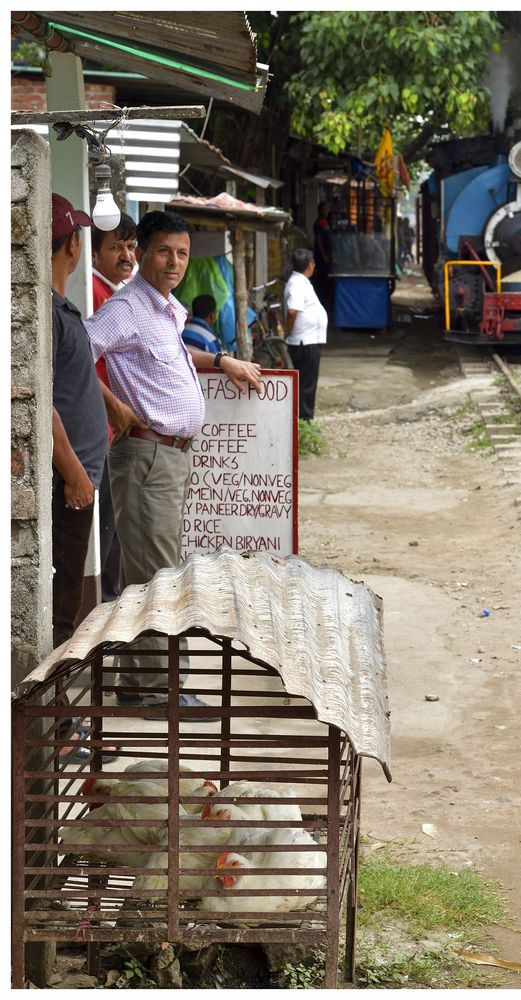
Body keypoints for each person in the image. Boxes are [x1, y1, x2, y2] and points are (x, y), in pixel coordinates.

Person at [85, 210, 262, 709]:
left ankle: (138, 686)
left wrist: (222, 360)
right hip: (145, 455)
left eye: (182, 253)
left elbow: (173, 353)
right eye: (164, 251)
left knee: (148, 574)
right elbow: (75, 348)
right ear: (142, 253)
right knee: (159, 575)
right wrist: (113, 404)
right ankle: (167, 688)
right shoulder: (127, 308)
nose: (175, 261)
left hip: (168, 459)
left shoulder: (164, 309)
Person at [51, 194, 142, 761]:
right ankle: (58, 732)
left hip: (85, 470)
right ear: (72, 246)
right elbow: (38, 403)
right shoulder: (42, 310)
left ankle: (62, 725)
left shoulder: (60, 310)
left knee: (72, 598)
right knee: (62, 606)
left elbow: (72, 382)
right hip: (71, 483)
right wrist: (74, 473)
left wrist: (108, 405)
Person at [90, 212, 138, 603]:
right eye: (115, 247)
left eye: (130, 246)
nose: (126, 255)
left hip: (115, 431)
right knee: (108, 531)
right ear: (91, 254)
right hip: (103, 429)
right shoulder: (94, 294)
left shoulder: (118, 293)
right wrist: (115, 407)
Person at [284, 248, 328, 421]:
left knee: (307, 384)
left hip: (309, 340)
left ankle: (303, 420)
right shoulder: (296, 283)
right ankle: (304, 422)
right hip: (304, 342)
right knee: (306, 386)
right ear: (310, 265)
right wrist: (288, 332)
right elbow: (293, 311)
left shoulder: (301, 281)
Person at [312, 201, 332, 308]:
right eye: (323, 209)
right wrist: (323, 255)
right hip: (321, 256)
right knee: (322, 278)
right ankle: (322, 300)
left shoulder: (326, 221)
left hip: (327, 254)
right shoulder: (318, 223)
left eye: (327, 209)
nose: (326, 211)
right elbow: (318, 240)